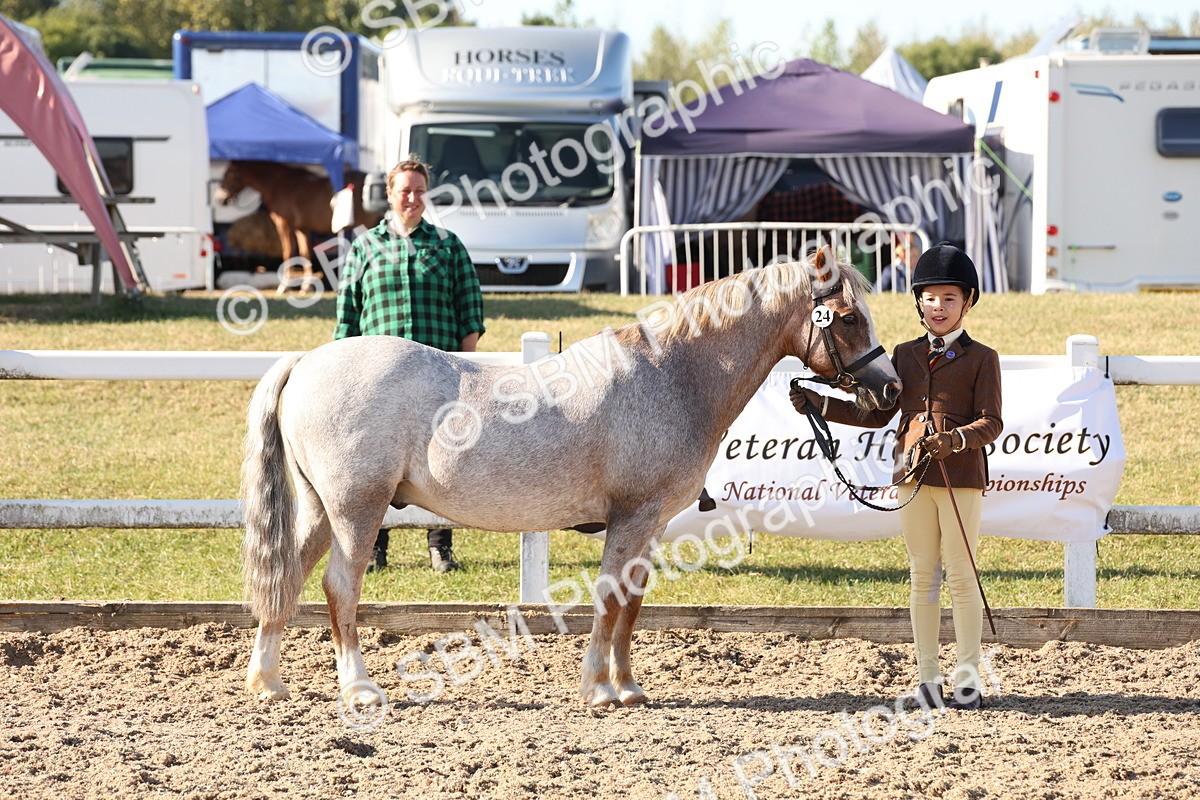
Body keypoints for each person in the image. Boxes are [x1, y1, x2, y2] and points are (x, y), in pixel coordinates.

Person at [790, 243, 1002, 710]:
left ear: (966, 303)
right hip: (911, 476)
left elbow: (992, 422)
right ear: (918, 302)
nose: (939, 307)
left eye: (950, 299)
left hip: (960, 476)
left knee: (963, 576)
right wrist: (820, 405)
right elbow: (875, 413)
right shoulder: (903, 355)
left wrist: (956, 440)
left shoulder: (982, 358)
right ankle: (928, 678)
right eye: (931, 298)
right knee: (923, 575)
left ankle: (968, 678)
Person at [334, 156, 486, 573]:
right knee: (373, 464)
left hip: (438, 378)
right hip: (377, 382)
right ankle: (375, 548)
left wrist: (465, 373)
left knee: (443, 463)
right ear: (389, 194)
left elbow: (470, 311)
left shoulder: (448, 244)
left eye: (420, 190)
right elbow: (347, 318)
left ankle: (440, 546)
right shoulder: (365, 247)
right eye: (405, 190)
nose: (413, 198)